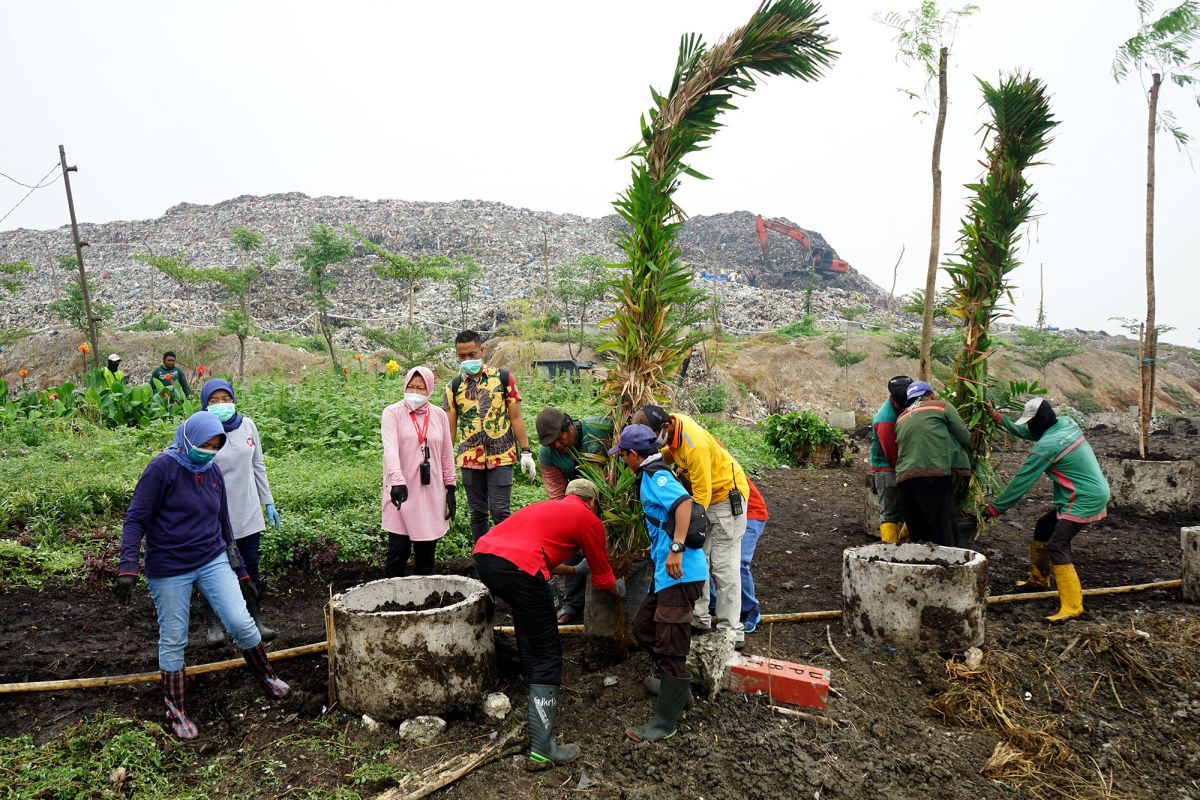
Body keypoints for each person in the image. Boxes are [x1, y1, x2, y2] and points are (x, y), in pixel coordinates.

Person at [116, 411, 289, 740]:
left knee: (240, 621)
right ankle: (176, 709)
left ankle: (267, 676)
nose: (208, 452)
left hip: (211, 558)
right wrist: (128, 566)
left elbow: (224, 525)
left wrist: (241, 572)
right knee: (174, 636)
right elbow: (135, 518)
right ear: (187, 438)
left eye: (215, 446)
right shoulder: (162, 469)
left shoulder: (212, 471)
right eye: (204, 445)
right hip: (168, 566)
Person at [473, 479, 621, 770]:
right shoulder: (589, 519)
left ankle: (532, 685)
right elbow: (604, 580)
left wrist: (574, 569)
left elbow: (532, 552)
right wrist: (622, 592)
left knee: (527, 618)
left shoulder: (545, 507)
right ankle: (541, 749)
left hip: (485, 559)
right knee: (548, 651)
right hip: (520, 570)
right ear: (592, 502)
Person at [611, 424, 708, 742]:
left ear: (633, 454)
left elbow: (684, 504)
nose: (623, 460)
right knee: (645, 629)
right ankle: (674, 685)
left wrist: (677, 549)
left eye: (623, 455)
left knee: (671, 646)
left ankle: (665, 723)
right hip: (666, 576)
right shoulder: (651, 473)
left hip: (681, 575)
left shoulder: (657, 476)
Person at [983, 398, 1111, 623]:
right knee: (1044, 526)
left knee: (1058, 544)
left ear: (1040, 420)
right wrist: (998, 417)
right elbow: (1029, 433)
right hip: (1090, 490)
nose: (1030, 426)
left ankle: (1073, 606)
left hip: (1083, 498)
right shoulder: (1065, 423)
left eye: (1032, 422)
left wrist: (994, 508)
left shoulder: (1048, 446)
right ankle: (1039, 579)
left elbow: (1021, 482)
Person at [632, 405, 749, 647]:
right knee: (698, 559)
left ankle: (731, 630)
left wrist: (689, 530)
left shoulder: (694, 445)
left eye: (653, 440)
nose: (653, 445)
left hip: (724, 500)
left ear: (665, 428)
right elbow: (668, 453)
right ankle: (700, 618)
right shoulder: (674, 427)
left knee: (723, 567)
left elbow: (703, 493)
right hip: (701, 499)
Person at [198, 379, 280, 644]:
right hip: (212, 514)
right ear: (204, 404)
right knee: (213, 568)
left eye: (225, 399)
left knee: (251, 567)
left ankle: (255, 620)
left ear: (233, 399)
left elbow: (258, 465)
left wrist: (268, 502)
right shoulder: (200, 428)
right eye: (214, 401)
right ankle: (213, 625)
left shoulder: (248, 425)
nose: (221, 405)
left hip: (247, 511)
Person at [444, 330, 537, 543]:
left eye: (472, 354)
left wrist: (526, 451)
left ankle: (507, 559)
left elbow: (516, 417)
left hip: (501, 456)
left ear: (482, 351)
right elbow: (451, 429)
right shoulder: (453, 387)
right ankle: (483, 560)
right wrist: (446, 461)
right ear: (457, 355)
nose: (468, 360)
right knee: (477, 515)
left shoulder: (503, 378)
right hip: (469, 459)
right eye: (462, 356)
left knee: (500, 513)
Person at [534, 406, 614, 624]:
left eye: (559, 439)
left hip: (612, 499)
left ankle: (611, 595)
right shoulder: (548, 454)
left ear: (569, 426)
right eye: (552, 444)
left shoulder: (600, 428)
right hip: (576, 506)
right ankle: (573, 604)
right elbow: (557, 494)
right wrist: (569, 523)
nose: (557, 447)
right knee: (570, 541)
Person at [381, 366, 456, 578]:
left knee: (426, 553)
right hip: (401, 491)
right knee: (398, 549)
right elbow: (391, 450)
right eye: (411, 386)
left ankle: (424, 601)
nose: (415, 392)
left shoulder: (439, 415)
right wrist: (396, 481)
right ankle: (392, 598)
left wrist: (450, 487)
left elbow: (446, 453)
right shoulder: (392, 413)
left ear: (430, 389)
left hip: (430, 492)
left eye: (421, 388)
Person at [894, 381, 971, 547]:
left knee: (919, 536)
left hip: (904, 481)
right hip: (932, 476)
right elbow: (965, 438)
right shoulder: (942, 407)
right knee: (943, 532)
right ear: (930, 394)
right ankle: (949, 570)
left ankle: (922, 569)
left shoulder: (901, 418)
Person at [871, 376, 913, 543]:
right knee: (890, 512)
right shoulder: (886, 421)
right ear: (895, 401)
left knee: (907, 509)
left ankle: (902, 543)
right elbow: (891, 454)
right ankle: (889, 548)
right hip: (887, 469)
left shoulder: (900, 410)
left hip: (902, 466)